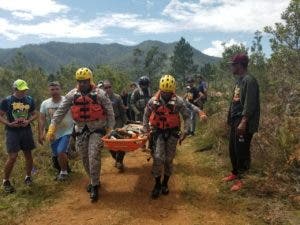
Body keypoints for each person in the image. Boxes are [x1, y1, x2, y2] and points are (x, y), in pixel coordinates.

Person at [46, 67, 115, 202]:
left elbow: (109, 111)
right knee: (84, 157)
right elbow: (60, 111)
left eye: (85, 81)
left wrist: (110, 128)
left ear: (90, 80)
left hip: (97, 129)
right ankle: (93, 179)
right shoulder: (72, 95)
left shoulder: (100, 94)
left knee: (93, 154)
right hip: (80, 130)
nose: (82, 84)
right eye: (80, 81)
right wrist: (52, 126)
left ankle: (94, 185)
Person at [143, 74, 191, 199]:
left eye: (169, 92)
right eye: (164, 92)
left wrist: (186, 130)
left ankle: (165, 183)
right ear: (160, 89)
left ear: (173, 91)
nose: (166, 94)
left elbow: (186, 116)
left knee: (169, 159)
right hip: (157, 132)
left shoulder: (179, 101)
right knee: (158, 157)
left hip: (172, 133)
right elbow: (146, 114)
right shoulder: (153, 101)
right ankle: (157, 184)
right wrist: (145, 128)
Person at [223, 54, 260, 191]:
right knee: (233, 149)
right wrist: (230, 119)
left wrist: (244, 121)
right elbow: (235, 102)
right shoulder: (239, 81)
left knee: (242, 150)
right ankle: (235, 173)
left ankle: (242, 179)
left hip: (243, 121)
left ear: (239, 65)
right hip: (235, 120)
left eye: (233, 64)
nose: (231, 66)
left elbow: (250, 104)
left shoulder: (249, 81)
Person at [0, 79, 37, 193]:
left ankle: (28, 177)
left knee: (28, 154)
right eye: (21, 90)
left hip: (26, 130)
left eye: (25, 90)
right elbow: (0, 115)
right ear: (15, 89)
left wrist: (28, 121)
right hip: (12, 131)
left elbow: (35, 114)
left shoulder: (29, 100)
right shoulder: (7, 101)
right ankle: (5, 181)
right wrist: (9, 123)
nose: (23, 92)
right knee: (12, 157)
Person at [39, 81, 74, 181]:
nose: (55, 91)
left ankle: (64, 172)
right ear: (49, 91)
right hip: (53, 132)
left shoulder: (67, 100)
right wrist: (41, 133)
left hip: (67, 130)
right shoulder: (45, 103)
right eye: (52, 89)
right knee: (56, 154)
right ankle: (65, 169)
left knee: (60, 151)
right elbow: (42, 119)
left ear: (60, 89)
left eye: (57, 89)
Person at [103, 80, 128, 172]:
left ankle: (119, 161)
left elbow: (122, 111)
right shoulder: (100, 99)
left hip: (118, 122)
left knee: (121, 142)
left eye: (109, 87)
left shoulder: (117, 97)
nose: (108, 89)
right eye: (106, 88)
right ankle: (116, 158)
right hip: (107, 123)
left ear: (111, 87)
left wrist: (126, 122)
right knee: (110, 143)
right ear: (103, 89)